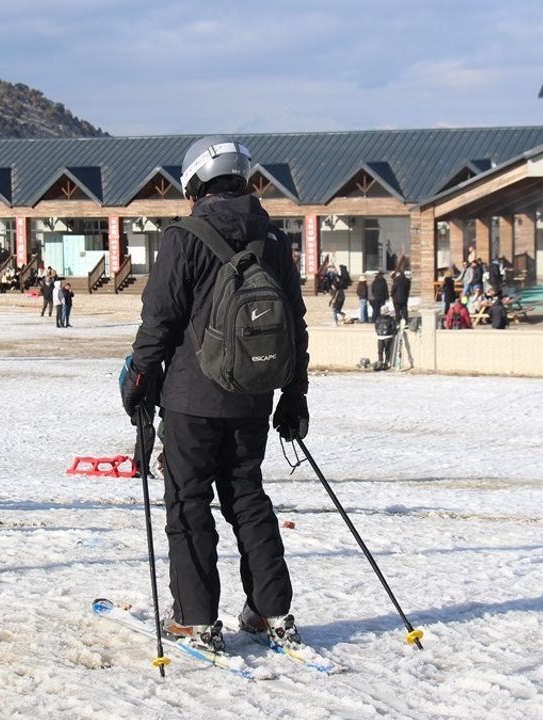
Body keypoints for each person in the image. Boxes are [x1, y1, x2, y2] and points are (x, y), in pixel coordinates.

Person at [120, 135, 309, 653]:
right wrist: (295, 396)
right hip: (253, 395)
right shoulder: (272, 239)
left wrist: (139, 380)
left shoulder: (184, 237)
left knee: (187, 503)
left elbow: (158, 321)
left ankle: (196, 620)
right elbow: (294, 323)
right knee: (247, 497)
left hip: (189, 399)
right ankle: (272, 612)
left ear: (196, 184)